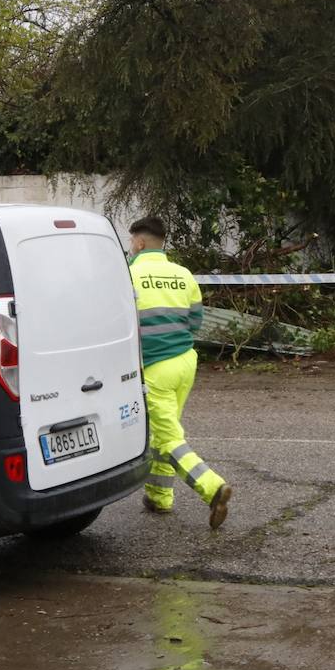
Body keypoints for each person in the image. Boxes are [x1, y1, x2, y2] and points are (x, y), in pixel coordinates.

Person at [128, 218, 232, 529]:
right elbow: (196, 322)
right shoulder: (183, 275)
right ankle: (160, 497)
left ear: (141, 243)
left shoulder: (128, 275)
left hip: (155, 367)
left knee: (170, 436)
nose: (130, 246)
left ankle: (212, 488)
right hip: (185, 362)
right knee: (164, 431)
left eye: (131, 241)